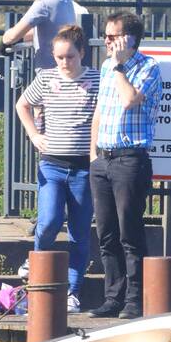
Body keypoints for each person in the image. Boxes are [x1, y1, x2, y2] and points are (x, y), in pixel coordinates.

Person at [16, 25, 100, 313]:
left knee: (79, 233)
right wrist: (34, 135)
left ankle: (73, 291)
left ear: (82, 54)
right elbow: (23, 104)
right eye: (60, 57)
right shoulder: (47, 78)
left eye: (71, 57)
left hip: (82, 169)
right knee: (49, 220)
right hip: (52, 164)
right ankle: (36, 261)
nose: (65, 63)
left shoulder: (96, 80)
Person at [87, 12, 162, 320]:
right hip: (103, 159)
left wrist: (120, 66)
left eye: (112, 36)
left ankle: (135, 299)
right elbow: (100, 113)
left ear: (129, 39)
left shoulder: (149, 67)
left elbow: (130, 98)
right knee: (106, 233)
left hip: (130, 158)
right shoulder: (106, 66)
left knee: (129, 233)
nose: (106, 42)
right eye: (105, 36)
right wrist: (92, 156)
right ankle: (112, 297)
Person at [1, 0, 77, 69]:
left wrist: (4, 40)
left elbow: (13, 36)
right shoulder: (66, 1)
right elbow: (53, 31)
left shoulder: (43, 3)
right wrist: (21, 38)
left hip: (48, 74)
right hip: (66, 69)